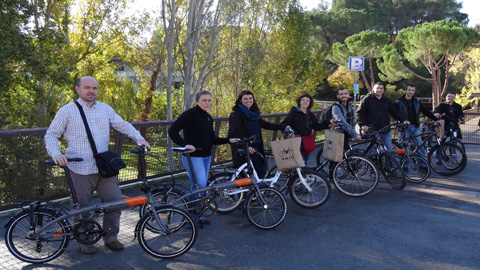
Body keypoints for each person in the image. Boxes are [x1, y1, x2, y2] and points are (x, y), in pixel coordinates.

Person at [45, 76, 150, 254]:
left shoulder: (105, 109)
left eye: (94, 88)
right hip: (79, 169)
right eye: (87, 87)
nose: (91, 91)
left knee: (115, 204)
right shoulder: (68, 111)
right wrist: (56, 153)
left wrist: (138, 138)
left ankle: (111, 238)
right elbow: (51, 134)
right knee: (81, 209)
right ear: (78, 89)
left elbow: (122, 125)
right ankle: (86, 240)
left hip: (104, 169)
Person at [168, 90, 237, 223]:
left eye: (209, 100)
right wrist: (184, 145)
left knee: (202, 187)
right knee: (199, 186)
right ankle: (189, 219)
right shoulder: (191, 114)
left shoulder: (208, 117)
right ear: (197, 101)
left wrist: (229, 140)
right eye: (204, 100)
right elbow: (172, 130)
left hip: (206, 156)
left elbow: (212, 139)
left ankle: (195, 216)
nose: (207, 103)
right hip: (194, 157)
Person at [228, 90, 288, 178]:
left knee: (260, 173)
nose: (248, 101)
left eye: (250, 98)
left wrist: (283, 127)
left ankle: (259, 191)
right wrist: (246, 146)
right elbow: (234, 133)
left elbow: (266, 125)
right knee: (245, 177)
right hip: (244, 150)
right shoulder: (236, 114)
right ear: (240, 100)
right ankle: (256, 191)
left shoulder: (254, 114)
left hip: (256, 148)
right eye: (245, 99)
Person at [281, 93, 332, 164]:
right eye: (303, 100)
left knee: (304, 164)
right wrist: (289, 132)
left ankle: (302, 174)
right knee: (299, 164)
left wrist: (328, 123)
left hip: (306, 143)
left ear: (310, 103)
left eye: (307, 100)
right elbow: (284, 123)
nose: (305, 102)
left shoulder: (310, 114)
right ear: (299, 102)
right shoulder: (294, 112)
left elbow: (317, 126)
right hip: (297, 142)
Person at [356, 82, 407, 151]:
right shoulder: (367, 99)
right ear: (373, 89)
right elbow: (359, 113)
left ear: (383, 90)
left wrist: (403, 120)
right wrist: (363, 125)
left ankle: (387, 162)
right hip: (373, 131)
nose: (379, 90)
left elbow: (394, 112)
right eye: (377, 88)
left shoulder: (386, 100)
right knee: (375, 153)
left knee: (389, 152)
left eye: (381, 88)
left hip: (385, 130)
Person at [395, 84, 438, 154]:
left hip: (415, 127)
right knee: (403, 147)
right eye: (409, 90)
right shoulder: (399, 101)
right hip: (404, 128)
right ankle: (404, 164)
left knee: (419, 146)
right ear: (406, 90)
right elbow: (395, 114)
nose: (410, 92)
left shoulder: (416, 102)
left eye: (412, 90)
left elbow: (425, 111)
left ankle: (422, 164)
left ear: (414, 92)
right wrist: (401, 121)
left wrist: (435, 119)